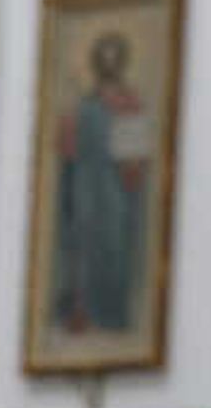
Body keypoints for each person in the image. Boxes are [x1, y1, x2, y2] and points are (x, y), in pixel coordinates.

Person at [50, 31, 154, 339]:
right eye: (103, 58)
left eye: (113, 58)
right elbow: (67, 155)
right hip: (84, 193)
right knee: (80, 251)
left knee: (112, 252)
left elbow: (135, 163)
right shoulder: (83, 104)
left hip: (114, 197)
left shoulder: (130, 104)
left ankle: (110, 313)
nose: (108, 65)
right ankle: (79, 312)